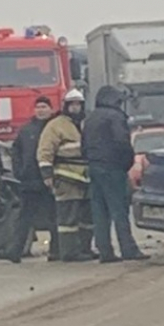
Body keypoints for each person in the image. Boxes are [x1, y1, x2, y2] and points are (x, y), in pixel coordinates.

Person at [82, 85, 150, 263]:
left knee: (99, 212)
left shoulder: (90, 118)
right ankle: (128, 248)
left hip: (94, 168)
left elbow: (83, 146)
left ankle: (105, 251)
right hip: (113, 168)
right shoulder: (116, 117)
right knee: (119, 210)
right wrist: (126, 163)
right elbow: (122, 143)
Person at [37, 88, 95, 262]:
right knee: (67, 218)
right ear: (66, 105)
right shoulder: (55, 125)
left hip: (86, 178)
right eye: (72, 104)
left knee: (87, 218)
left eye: (79, 104)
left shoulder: (87, 123)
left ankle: (85, 249)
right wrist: (47, 174)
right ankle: (69, 252)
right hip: (65, 178)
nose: (75, 108)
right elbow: (45, 151)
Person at [9, 96, 58, 262]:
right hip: (29, 182)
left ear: (51, 109)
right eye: (38, 107)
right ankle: (15, 252)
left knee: (54, 218)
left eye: (44, 107)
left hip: (50, 181)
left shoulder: (55, 128)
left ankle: (55, 251)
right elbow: (15, 152)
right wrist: (20, 172)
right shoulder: (26, 130)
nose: (41, 110)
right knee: (24, 218)